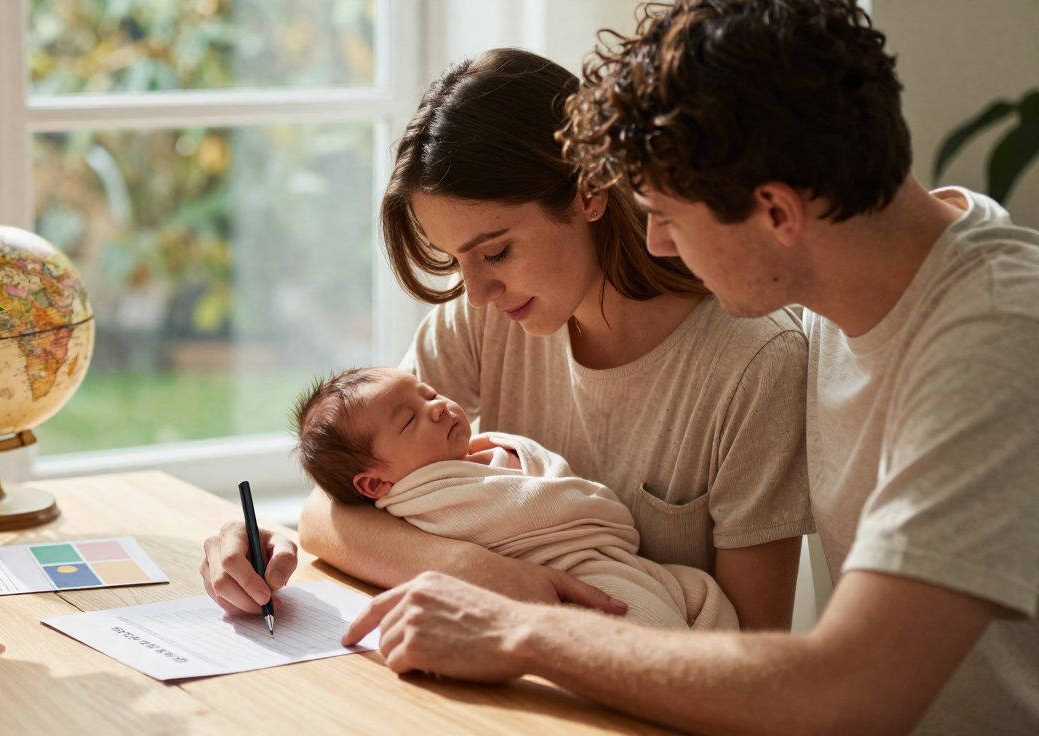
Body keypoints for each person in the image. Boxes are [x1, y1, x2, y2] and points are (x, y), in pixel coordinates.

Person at [332, 1, 1039, 733]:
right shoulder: (846, 298)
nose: (658, 245)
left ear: (776, 213)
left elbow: (848, 690)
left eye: (668, 216)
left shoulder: (993, 343)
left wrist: (518, 628)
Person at [202, 46, 814, 633]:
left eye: (495, 252)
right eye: (457, 260)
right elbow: (327, 511)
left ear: (589, 190)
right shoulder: (487, 320)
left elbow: (755, 652)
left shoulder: (753, 364)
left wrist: (531, 622)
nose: (476, 292)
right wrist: (480, 571)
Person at [295, 365, 739, 630]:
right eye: (410, 421)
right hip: (578, 578)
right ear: (374, 485)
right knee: (642, 623)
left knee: (698, 593)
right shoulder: (423, 498)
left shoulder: (472, 453)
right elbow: (553, 512)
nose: (436, 406)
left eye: (428, 393)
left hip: (606, 564)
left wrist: (510, 456)